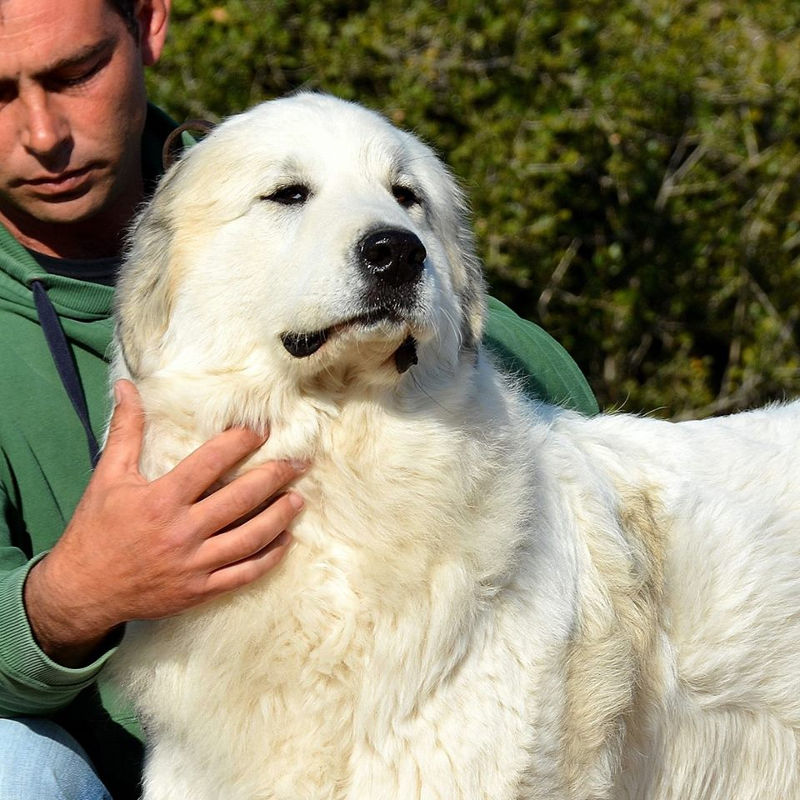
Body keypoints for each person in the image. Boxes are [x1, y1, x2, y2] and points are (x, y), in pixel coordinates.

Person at [0, 0, 598, 797]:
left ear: (148, 23)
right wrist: (72, 599)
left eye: (76, 73)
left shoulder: (298, 160)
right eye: (0, 92)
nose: (44, 135)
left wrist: (414, 320)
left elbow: (564, 422)